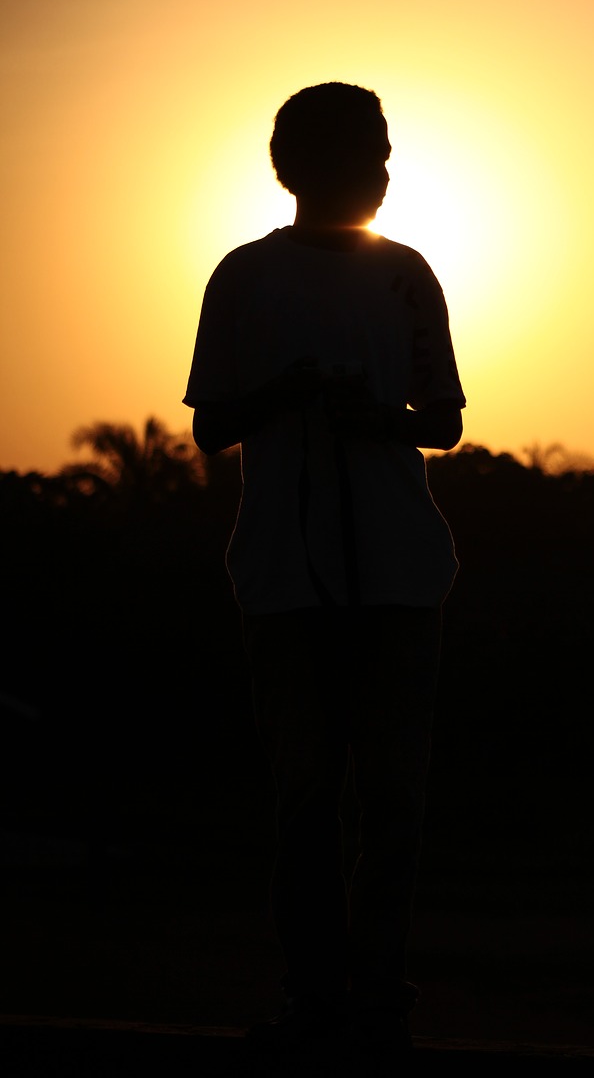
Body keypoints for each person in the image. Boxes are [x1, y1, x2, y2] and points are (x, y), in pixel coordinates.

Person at [183, 82, 465, 1061]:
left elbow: (444, 420)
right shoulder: (244, 278)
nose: (379, 170)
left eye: (383, 153)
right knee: (305, 796)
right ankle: (316, 996)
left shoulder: (408, 276)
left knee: (392, 799)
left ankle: (376, 996)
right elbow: (211, 425)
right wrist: (283, 397)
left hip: (399, 575)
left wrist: (373, 422)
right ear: (294, 168)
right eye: (361, 154)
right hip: (285, 581)